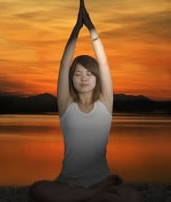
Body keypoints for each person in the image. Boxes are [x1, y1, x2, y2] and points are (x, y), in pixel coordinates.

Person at [29, 1, 142, 202]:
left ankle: (84, 197)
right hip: (68, 182)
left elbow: (105, 64)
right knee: (38, 189)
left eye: (89, 73)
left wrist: (91, 30)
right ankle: (92, 195)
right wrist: (75, 30)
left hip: (100, 178)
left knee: (132, 197)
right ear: (71, 79)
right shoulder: (66, 106)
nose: (83, 77)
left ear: (97, 78)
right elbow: (64, 65)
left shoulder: (105, 105)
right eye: (78, 73)